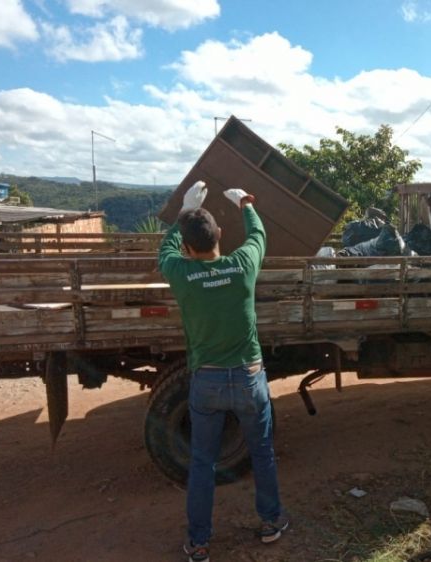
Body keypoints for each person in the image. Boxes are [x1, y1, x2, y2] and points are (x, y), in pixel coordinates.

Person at [158, 181, 288, 562]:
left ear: (187, 247)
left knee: (202, 462)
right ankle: (271, 522)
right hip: (249, 378)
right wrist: (246, 203)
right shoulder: (242, 265)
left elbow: (164, 250)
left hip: (207, 382)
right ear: (221, 235)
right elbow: (259, 235)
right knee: (262, 453)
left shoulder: (180, 272)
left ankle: (199, 543)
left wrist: (184, 211)